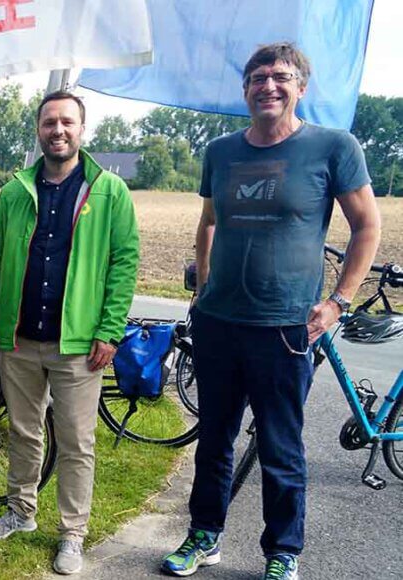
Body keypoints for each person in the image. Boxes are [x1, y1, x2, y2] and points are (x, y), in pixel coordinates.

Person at [161, 43, 381, 580]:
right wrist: (201, 288)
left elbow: (367, 227)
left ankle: (283, 550)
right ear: (246, 90)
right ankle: (203, 536)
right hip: (219, 324)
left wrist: (338, 302)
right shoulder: (221, 152)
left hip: (285, 327)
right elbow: (209, 222)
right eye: (257, 78)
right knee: (214, 439)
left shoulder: (333, 146)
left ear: (301, 86)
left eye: (280, 77)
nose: (268, 86)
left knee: (281, 447)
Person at [0, 91, 140, 576]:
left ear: (82, 129)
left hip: (79, 345)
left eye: (67, 122)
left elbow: (124, 264)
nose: (58, 130)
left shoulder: (108, 191)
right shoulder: (15, 192)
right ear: (39, 130)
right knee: (23, 432)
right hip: (20, 338)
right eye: (50, 122)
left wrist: (109, 330)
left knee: (75, 441)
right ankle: (20, 512)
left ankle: (72, 534)